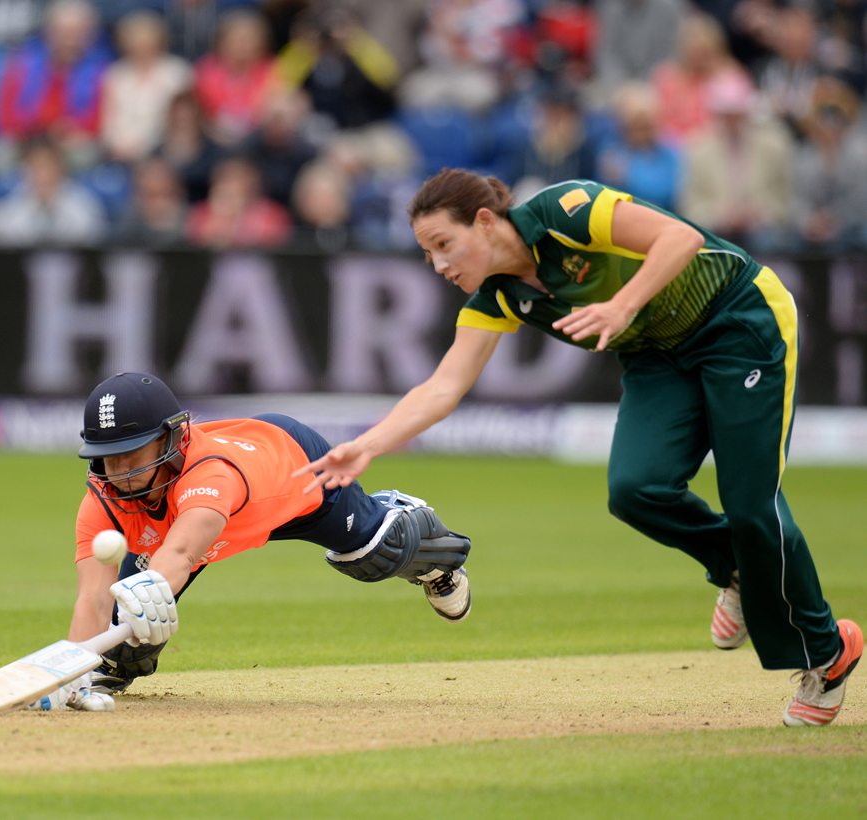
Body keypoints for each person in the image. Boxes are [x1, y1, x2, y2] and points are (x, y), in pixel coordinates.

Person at [295, 169, 862, 727]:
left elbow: (681, 238)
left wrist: (623, 306)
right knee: (637, 490)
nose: (440, 265)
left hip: (740, 321)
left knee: (751, 504)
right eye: (428, 255)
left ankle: (826, 653)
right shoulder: (501, 296)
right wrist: (365, 445)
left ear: (486, 222)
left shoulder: (564, 209)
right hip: (658, 358)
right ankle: (736, 569)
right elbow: (444, 386)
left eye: (444, 244)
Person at [29, 371, 473, 711]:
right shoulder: (102, 499)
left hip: (295, 478)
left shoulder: (210, 474)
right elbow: (91, 598)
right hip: (197, 529)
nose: (119, 470)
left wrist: (147, 592)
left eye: (133, 452)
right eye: (107, 457)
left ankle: (427, 546)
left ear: (171, 438)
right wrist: (74, 669)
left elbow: (181, 552)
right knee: (121, 644)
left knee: (375, 554)